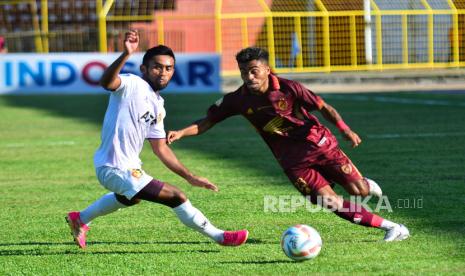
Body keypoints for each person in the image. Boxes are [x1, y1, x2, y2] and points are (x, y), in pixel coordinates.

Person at [167, 47, 410, 242]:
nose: (248, 77)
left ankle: (366, 184)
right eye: (243, 72)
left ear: (267, 69)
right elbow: (208, 121)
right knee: (331, 203)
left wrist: (345, 129)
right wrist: (181, 133)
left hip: (321, 146)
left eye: (254, 71)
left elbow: (323, 107)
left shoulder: (289, 88)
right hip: (293, 162)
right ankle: (394, 228)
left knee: (360, 193)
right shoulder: (237, 100)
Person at [65, 30, 248, 249]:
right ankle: (220, 236)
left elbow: (161, 148)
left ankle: (80, 218)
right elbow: (107, 82)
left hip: (127, 165)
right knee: (176, 196)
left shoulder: (158, 105)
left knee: (131, 198)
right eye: (157, 67)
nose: (163, 72)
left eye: (168, 68)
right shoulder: (131, 84)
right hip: (114, 166)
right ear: (144, 69)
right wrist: (125, 53)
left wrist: (190, 176)